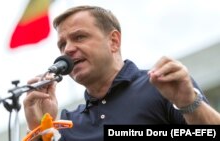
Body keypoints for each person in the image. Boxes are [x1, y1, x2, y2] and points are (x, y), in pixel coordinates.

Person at [23, 5, 220, 141]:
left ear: (114, 41)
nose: (67, 50)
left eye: (79, 37)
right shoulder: (67, 123)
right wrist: (38, 129)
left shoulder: (162, 86)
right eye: (62, 44)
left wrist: (189, 104)